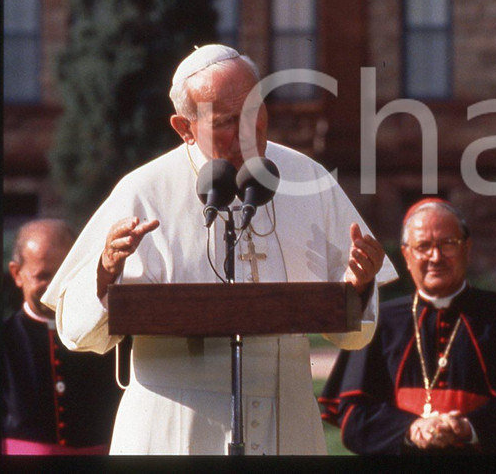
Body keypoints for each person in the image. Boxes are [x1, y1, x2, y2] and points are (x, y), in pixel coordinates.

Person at [41, 44, 398, 455]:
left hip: (287, 421)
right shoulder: (144, 190)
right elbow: (78, 335)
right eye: (227, 121)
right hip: (176, 428)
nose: (248, 131)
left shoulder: (309, 178)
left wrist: (357, 287)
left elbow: (353, 338)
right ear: (184, 127)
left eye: (255, 111)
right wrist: (104, 272)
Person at [319, 198, 496, 454]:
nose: (435, 257)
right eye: (423, 246)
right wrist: (411, 430)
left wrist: (467, 428)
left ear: (467, 248)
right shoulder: (379, 319)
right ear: (406, 254)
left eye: (448, 244)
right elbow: (354, 417)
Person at [3, 219, 122, 454]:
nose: (54, 286)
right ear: (17, 274)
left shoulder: (109, 333)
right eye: (43, 276)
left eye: (63, 273)